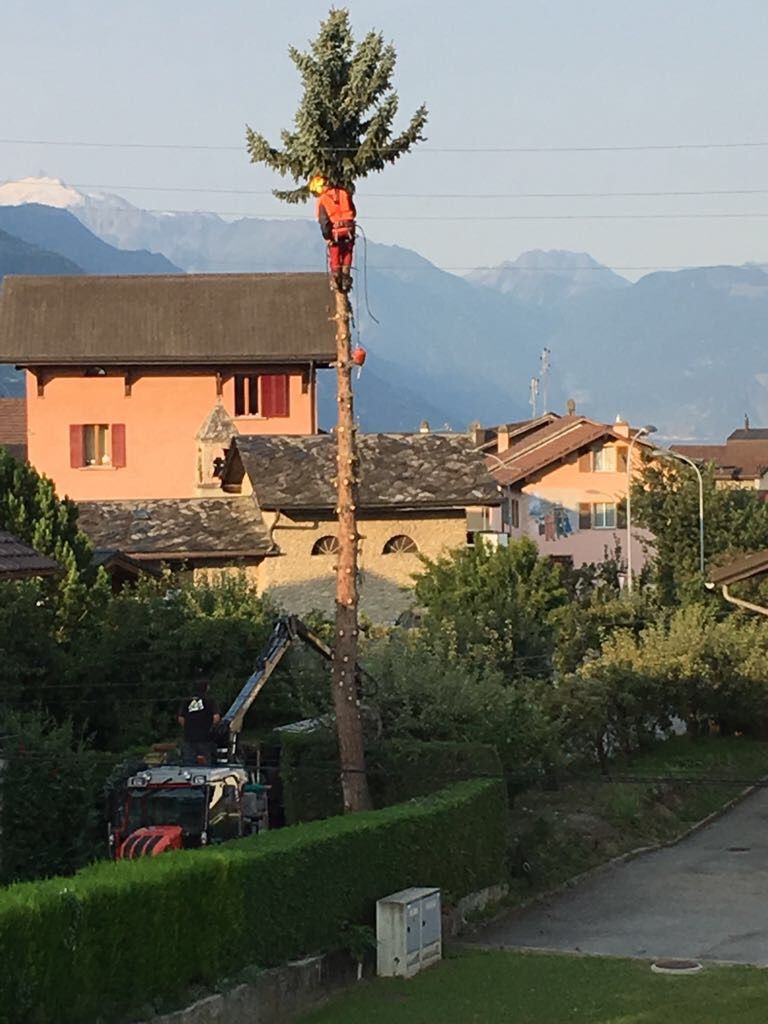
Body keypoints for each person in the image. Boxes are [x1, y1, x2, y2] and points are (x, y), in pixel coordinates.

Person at [308, 174, 356, 293]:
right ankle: (346, 276)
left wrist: (327, 237)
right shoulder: (344, 193)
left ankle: (336, 278)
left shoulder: (323, 199)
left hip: (335, 232)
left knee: (335, 254)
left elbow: (324, 222)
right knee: (347, 252)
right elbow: (353, 211)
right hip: (349, 229)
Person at [177, 679, 221, 766]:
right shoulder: (210, 700)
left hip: (189, 737)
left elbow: (180, 718)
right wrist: (211, 728)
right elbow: (216, 717)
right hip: (205, 736)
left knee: (189, 762)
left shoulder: (187, 700)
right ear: (206, 688)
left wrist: (188, 728)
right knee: (206, 762)